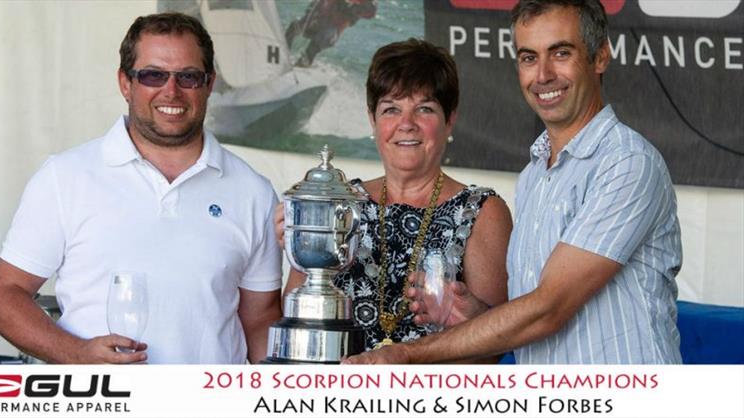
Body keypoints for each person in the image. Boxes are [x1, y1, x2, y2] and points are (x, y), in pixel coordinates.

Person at [344, 0, 682, 364]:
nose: (543, 75)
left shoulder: (626, 163)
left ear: (600, 57)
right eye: (528, 57)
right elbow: (526, 315)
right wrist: (475, 319)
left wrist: (405, 355)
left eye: (561, 53)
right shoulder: (535, 173)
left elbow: (548, 309)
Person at [0, 13, 282, 364]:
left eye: (188, 76)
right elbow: (2, 298)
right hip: (99, 405)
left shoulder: (254, 192)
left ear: (209, 83)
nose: (171, 91)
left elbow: (260, 321)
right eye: (153, 75)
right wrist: (76, 353)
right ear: (125, 83)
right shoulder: (65, 177)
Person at [277, 38, 512, 356]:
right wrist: (299, 242)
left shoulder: (483, 211)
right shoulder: (337, 204)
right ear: (373, 119)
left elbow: (499, 348)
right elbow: (298, 321)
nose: (406, 124)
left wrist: (474, 319)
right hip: (338, 399)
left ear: (450, 119)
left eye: (424, 109)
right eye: (391, 109)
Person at [285, 0, 377, 67]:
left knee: (314, 45)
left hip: (331, 31)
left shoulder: (366, 6)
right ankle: (283, 55)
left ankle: (302, 67)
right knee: (293, 27)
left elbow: (371, 13)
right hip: (316, 21)